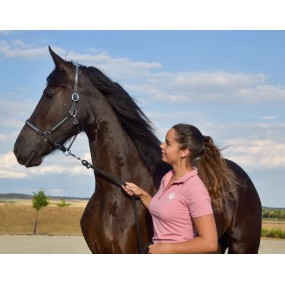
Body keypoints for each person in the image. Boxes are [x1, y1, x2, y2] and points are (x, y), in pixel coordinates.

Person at [122, 123, 237, 254]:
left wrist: (165, 248)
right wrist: (143, 195)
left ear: (184, 152)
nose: (161, 146)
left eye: (168, 143)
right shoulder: (168, 177)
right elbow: (166, 211)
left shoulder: (194, 189)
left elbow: (209, 243)